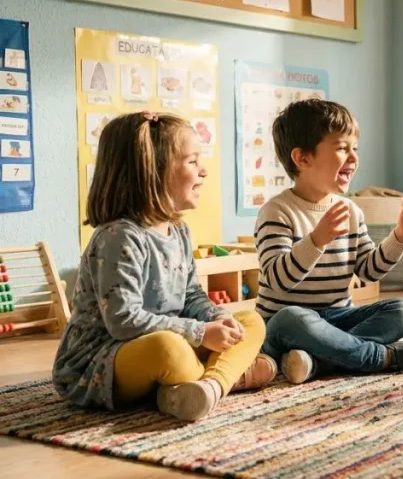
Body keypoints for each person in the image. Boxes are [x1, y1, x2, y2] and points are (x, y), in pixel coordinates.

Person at [52, 111, 273, 422]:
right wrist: (198, 332)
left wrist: (217, 318)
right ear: (153, 172)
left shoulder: (179, 231)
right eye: (193, 161)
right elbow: (123, 320)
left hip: (168, 341)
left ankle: (206, 388)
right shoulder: (120, 236)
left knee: (251, 320)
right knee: (169, 349)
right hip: (99, 362)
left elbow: (192, 296)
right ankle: (228, 377)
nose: (204, 171)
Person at [256, 99, 403, 384]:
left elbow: (367, 271)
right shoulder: (277, 211)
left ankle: (319, 362)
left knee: (401, 310)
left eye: (355, 148)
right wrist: (316, 240)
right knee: (291, 317)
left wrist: (399, 236)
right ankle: (380, 357)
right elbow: (277, 280)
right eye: (343, 148)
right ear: (303, 159)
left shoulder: (352, 211)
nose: (354, 158)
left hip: (338, 318)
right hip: (287, 327)